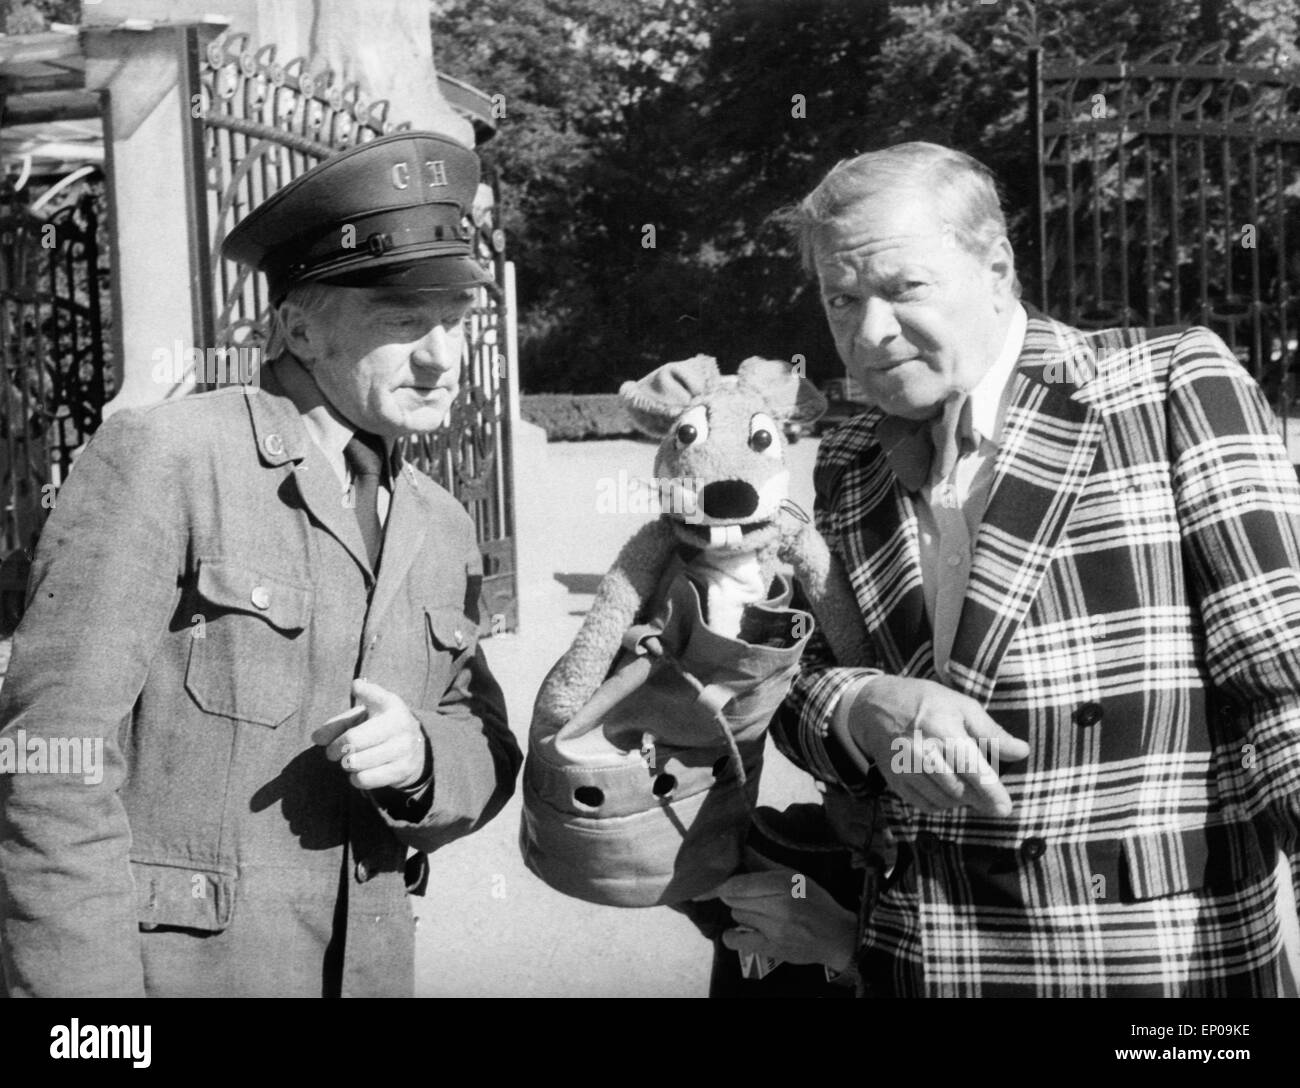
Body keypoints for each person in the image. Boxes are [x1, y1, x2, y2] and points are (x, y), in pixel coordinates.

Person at [717, 140, 1300, 997]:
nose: (869, 334)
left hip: (1160, 982)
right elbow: (790, 685)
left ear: (997, 269)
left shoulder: (1166, 386)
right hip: (921, 965)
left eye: (902, 287)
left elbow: (1285, 689)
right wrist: (864, 708)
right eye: (842, 300)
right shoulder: (848, 455)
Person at [0, 131, 520, 997]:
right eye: (402, 321)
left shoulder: (440, 521)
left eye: (453, 321)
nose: (443, 357)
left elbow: (488, 746)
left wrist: (424, 758)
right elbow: (52, 761)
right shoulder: (168, 458)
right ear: (298, 328)